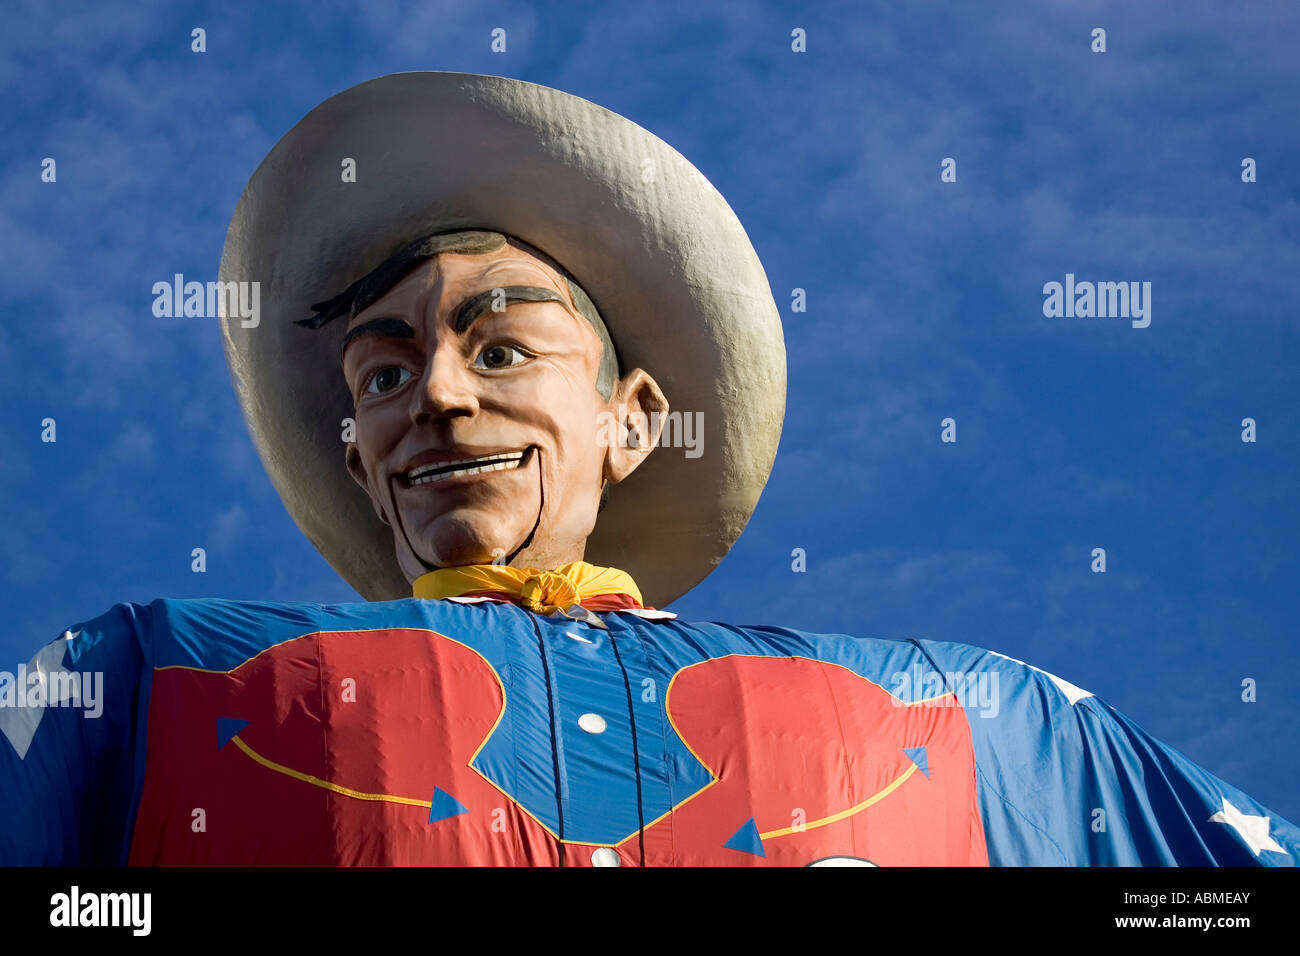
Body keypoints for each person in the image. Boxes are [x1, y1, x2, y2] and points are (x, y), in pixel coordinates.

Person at [1, 72, 1295, 867]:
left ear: (633, 421)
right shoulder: (151, 681)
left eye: (499, 346)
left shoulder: (972, 727)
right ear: (357, 453)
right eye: (383, 375)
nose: (438, 395)